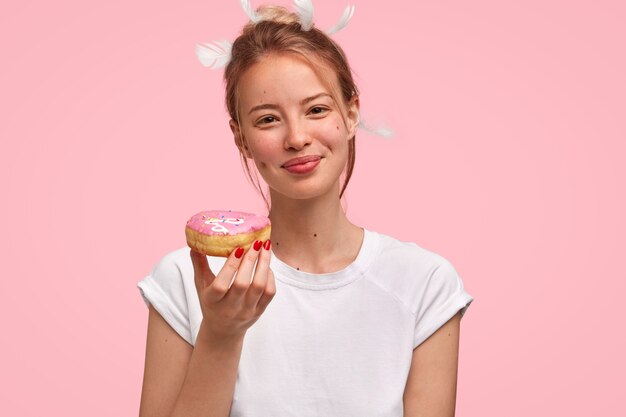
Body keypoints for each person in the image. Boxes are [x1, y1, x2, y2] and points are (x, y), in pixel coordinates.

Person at [137, 3, 474, 417]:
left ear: (350, 114)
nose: (297, 138)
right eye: (267, 120)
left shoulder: (424, 283)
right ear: (240, 137)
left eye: (316, 109)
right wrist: (221, 335)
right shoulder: (186, 281)